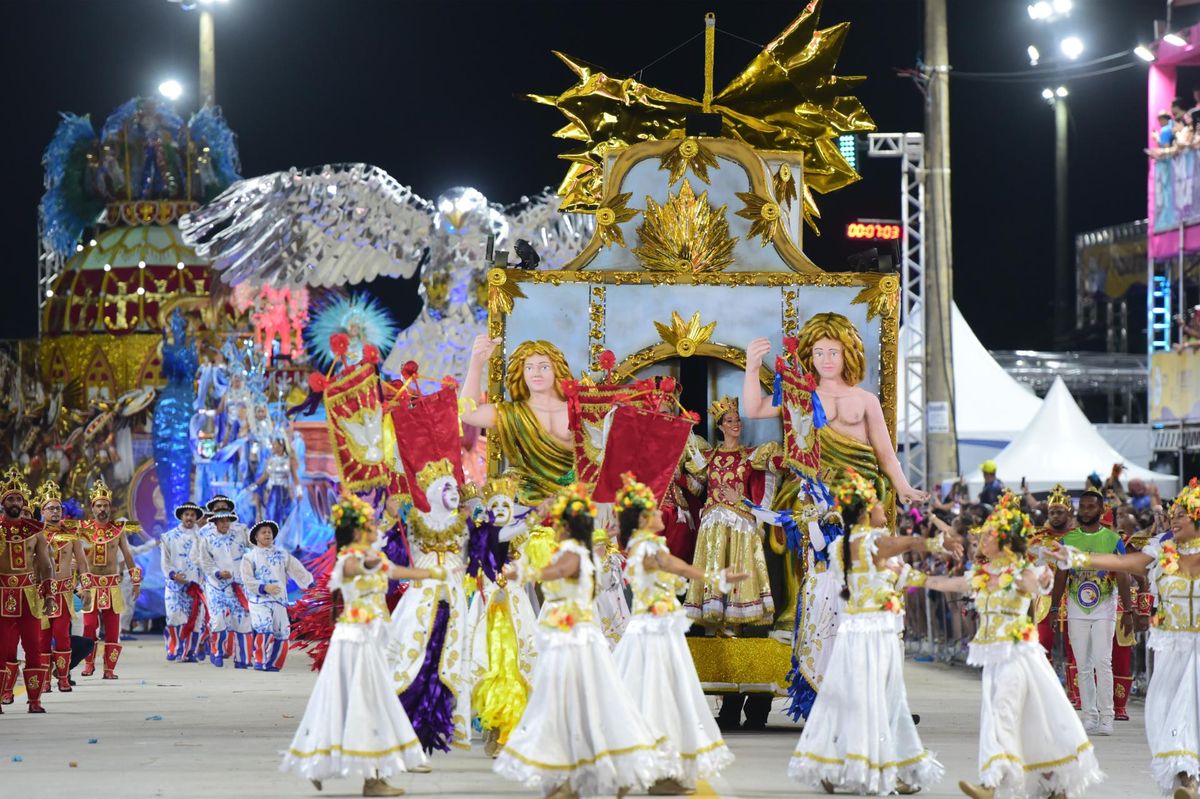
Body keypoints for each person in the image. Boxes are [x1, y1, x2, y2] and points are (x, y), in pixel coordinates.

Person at [494, 484, 674, 799]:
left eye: (559, 522)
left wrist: (520, 574)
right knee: (573, 707)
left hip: (578, 645)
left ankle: (598, 774)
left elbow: (555, 571)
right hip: (569, 640)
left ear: (567, 525)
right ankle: (582, 775)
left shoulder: (575, 553)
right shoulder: (577, 551)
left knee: (578, 705)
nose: (555, 527)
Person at [925, 493, 1102, 799]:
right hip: (994, 659)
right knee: (1031, 720)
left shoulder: (1023, 572)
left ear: (1004, 541)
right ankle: (1053, 780)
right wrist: (908, 578)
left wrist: (1033, 571)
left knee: (1000, 713)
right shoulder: (983, 575)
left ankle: (991, 782)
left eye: (989, 534)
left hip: (1018, 655)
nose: (981, 537)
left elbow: (1035, 587)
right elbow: (948, 584)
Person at [789, 470, 953, 796]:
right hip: (876, 634)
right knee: (883, 699)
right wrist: (936, 542)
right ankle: (872, 768)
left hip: (854, 633)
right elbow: (900, 542)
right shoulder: (872, 541)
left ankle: (842, 764)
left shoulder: (838, 546)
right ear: (865, 509)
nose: (883, 510)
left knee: (857, 698)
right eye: (878, 503)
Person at [1055, 477, 1200, 798]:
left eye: (1180, 516)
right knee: (1165, 711)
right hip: (1171, 648)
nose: (1172, 521)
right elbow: (1123, 563)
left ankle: (1187, 776)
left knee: (1188, 710)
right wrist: (1078, 558)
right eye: (1172, 515)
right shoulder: (1163, 550)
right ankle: (1183, 776)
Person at [280, 493, 433, 797]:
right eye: (372, 524)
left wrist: (434, 572)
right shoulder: (350, 559)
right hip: (355, 643)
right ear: (359, 531)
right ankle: (371, 779)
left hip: (369, 640)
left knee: (357, 704)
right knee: (366, 704)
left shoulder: (369, 555)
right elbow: (356, 567)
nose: (377, 527)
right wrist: (371, 566)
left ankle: (334, 767)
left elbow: (388, 562)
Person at [612, 473, 741, 794]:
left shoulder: (639, 545)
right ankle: (650, 765)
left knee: (652, 692)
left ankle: (652, 765)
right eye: (656, 511)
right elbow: (676, 567)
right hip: (653, 634)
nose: (662, 513)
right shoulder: (648, 547)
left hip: (655, 629)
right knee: (659, 691)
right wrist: (715, 576)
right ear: (643, 518)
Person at [743, 316, 927, 506]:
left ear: (847, 354)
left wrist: (904, 487)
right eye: (819, 353)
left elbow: (886, 454)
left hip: (856, 486)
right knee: (800, 507)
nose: (826, 360)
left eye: (833, 353)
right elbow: (754, 409)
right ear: (810, 355)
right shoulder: (799, 397)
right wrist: (752, 368)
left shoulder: (866, 400)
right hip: (813, 487)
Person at [387, 457, 481, 756]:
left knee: (447, 662)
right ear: (432, 492)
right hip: (419, 604)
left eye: (456, 486)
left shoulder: (464, 524)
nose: (454, 490)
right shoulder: (413, 522)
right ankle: (406, 722)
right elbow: (391, 555)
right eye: (447, 486)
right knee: (414, 661)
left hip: (453, 606)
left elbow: (487, 549)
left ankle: (436, 722)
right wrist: (389, 516)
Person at [683, 397, 776, 629]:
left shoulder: (750, 456)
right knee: (714, 567)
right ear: (721, 426)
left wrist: (741, 501)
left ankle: (734, 625)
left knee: (737, 568)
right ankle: (714, 626)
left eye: (737, 420)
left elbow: (777, 463)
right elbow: (697, 487)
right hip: (713, 522)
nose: (735, 424)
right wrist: (679, 480)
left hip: (739, 521)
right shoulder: (709, 457)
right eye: (729, 420)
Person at [1050, 489, 1132, 736]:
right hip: (1076, 607)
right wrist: (1055, 608)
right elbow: (1061, 575)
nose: (1085, 511)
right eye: (1082, 507)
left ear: (1101, 509)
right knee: (1083, 664)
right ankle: (1089, 715)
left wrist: (1127, 610)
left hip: (1105, 607)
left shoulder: (1112, 539)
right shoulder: (1068, 540)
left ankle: (1107, 716)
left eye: (1090, 507)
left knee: (1102, 661)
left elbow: (1124, 575)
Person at [460, 336, 575, 506]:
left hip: (572, 504)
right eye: (529, 368)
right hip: (526, 507)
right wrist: (476, 363)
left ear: (557, 370)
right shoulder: (513, 413)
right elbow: (467, 413)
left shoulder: (575, 410)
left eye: (543, 367)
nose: (536, 373)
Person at [0, 467, 53, 713]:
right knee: (2, 649)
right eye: (10, 498)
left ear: (24, 502)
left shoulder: (36, 529)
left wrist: (50, 593)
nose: (14, 502)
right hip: (1, 595)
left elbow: (45, 564)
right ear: (3, 502)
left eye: (18, 498)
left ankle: (35, 701)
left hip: (29, 595)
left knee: (33, 647)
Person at [79, 477, 142, 679]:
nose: (102, 509)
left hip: (113, 585)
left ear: (111, 507)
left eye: (105, 505)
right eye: (99, 505)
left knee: (113, 629)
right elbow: (76, 557)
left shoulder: (118, 530)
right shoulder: (84, 530)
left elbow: (128, 556)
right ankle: (89, 664)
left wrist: (135, 580)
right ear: (92, 508)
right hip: (91, 585)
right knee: (89, 626)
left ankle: (109, 669)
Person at [34, 479, 86, 693]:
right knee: (42, 638)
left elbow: (83, 562)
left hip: (63, 592)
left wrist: (86, 587)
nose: (55, 512)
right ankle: (44, 681)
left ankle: (63, 678)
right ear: (42, 511)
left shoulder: (72, 534)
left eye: (58, 508)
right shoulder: (34, 534)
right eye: (51, 508)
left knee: (63, 636)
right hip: (40, 593)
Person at [241, 520, 313, 671]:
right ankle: (260, 660)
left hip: (279, 599)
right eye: (263, 532)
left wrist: (309, 584)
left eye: (269, 532)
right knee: (264, 626)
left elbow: (296, 569)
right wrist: (264, 587)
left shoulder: (282, 554)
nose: (267, 534)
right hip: (259, 599)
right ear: (256, 537)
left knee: (282, 631)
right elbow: (247, 579)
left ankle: (274, 663)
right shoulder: (249, 557)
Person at [197, 507, 253, 668]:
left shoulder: (239, 535)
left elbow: (254, 549)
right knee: (219, 620)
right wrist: (218, 573)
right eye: (221, 521)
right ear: (214, 522)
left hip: (238, 586)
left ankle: (242, 659)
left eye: (227, 520)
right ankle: (216, 650)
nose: (225, 524)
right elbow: (206, 562)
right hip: (216, 586)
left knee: (242, 620)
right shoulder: (206, 539)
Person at [160, 501, 209, 663]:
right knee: (174, 617)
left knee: (194, 620)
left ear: (196, 518)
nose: (189, 517)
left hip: (195, 585)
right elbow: (165, 562)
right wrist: (173, 575)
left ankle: (189, 652)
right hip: (174, 585)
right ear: (181, 516)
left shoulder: (204, 537)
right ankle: (174, 648)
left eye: (192, 515)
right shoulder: (168, 537)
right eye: (186, 514)